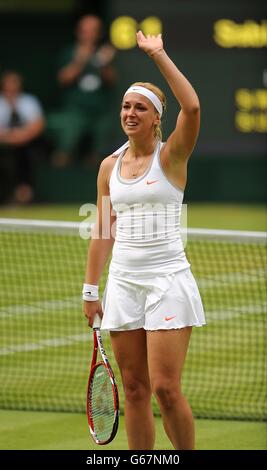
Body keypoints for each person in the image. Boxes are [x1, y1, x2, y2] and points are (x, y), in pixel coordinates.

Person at [83, 31, 206, 450]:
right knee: (134, 390)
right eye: (126, 106)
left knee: (166, 390)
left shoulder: (171, 156)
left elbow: (191, 106)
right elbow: (102, 228)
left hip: (167, 281)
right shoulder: (108, 166)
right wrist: (89, 289)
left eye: (140, 107)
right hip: (123, 283)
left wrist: (158, 54)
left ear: (157, 117)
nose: (130, 113)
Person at [47, 14, 117, 167]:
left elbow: (112, 81)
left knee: (103, 145)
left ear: (99, 33)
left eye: (93, 31)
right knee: (65, 145)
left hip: (100, 111)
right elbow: (63, 79)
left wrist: (103, 63)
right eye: (85, 31)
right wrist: (80, 60)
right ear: (78, 32)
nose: (88, 35)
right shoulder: (69, 52)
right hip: (74, 110)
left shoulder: (104, 53)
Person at [0, 71, 45, 203]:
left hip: (26, 146)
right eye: (9, 82)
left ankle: (24, 193)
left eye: (15, 82)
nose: (12, 86)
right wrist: (9, 138)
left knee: (25, 154)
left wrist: (21, 137)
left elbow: (38, 125)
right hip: (3, 147)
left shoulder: (29, 101)